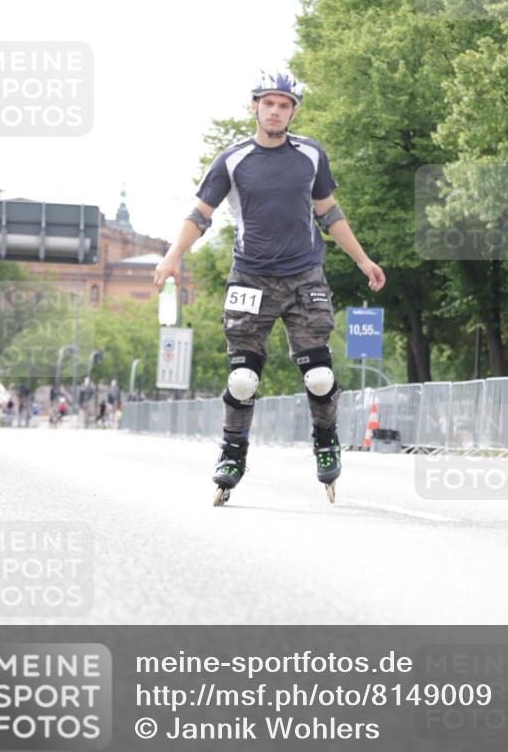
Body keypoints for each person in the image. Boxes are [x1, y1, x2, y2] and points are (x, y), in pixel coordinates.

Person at [153, 69, 386, 503]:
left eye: (284, 105)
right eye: (269, 103)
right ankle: (231, 453)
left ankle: (326, 438)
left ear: (293, 111)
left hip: (305, 277)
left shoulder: (311, 156)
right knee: (242, 379)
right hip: (250, 278)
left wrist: (362, 259)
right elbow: (200, 214)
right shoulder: (233, 160)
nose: (276, 111)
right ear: (255, 107)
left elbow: (329, 214)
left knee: (318, 376)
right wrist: (172, 257)